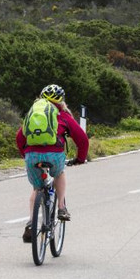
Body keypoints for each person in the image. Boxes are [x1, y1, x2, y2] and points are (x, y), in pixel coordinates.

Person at [16, 84, 89, 243]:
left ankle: (31, 222)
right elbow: (82, 140)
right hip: (55, 155)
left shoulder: (34, 114)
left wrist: (26, 155)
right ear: (61, 100)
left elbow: (19, 138)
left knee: (37, 188)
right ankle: (61, 208)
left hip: (32, 156)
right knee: (59, 173)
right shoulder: (63, 115)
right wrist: (80, 159)